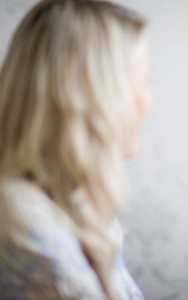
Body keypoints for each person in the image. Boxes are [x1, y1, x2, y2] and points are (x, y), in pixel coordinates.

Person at [0, 0, 151, 299]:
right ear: (99, 96)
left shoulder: (77, 202)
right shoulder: (26, 225)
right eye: (144, 81)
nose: (149, 102)